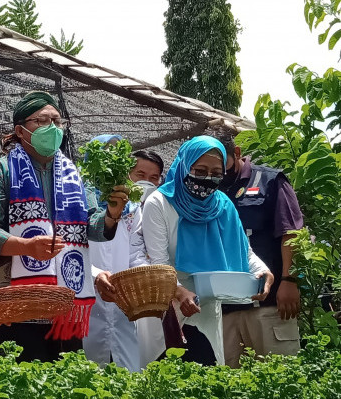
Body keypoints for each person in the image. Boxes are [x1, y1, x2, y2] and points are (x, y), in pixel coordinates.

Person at [0, 91, 127, 362]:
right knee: (25, 381)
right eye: (42, 121)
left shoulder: (73, 173)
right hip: (18, 299)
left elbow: (90, 225)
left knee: (68, 384)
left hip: (66, 301)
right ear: (20, 130)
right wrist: (26, 246)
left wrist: (111, 215)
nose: (53, 129)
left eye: (57, 122)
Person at [139, 136, 274, 366]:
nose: (208, 179)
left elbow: (245, 252)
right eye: (200, 170)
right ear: (184, 165)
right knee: (163, 376)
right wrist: (180, 293)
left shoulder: (223, 205)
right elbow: (158, 265)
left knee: (207, 374)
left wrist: (264, 272)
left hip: (207, 307)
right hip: (167, 307)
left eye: (216, 172)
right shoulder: (160, 203)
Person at [217, 137, 304, 367]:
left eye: (220, 160)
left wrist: (290, 280)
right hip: (225, 308)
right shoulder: (210, 188)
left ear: (236, 152)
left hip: (270, 304)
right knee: (228, 389)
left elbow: (291, 233)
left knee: (281, 380)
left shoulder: (270, 180)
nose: (215, 169)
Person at [86, 138, 164, 371]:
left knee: (127, 374)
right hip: (87, 299)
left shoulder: (132, 209)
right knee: (85, 377)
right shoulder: (77, 200)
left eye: (118, 160)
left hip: (122, 304)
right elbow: (72, 251)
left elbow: (135, 251)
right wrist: (96, 274)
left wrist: (146, 276)